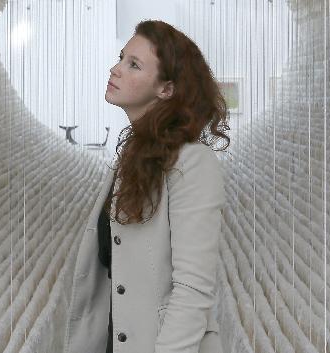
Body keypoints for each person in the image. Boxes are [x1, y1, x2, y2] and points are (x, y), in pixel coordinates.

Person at [63, 19, 230, 353]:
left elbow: (193, 289)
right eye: (121, 57)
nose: (115, 69)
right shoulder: (134, 158)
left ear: (166, 89)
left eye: (133, 65)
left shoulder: (192, 163)